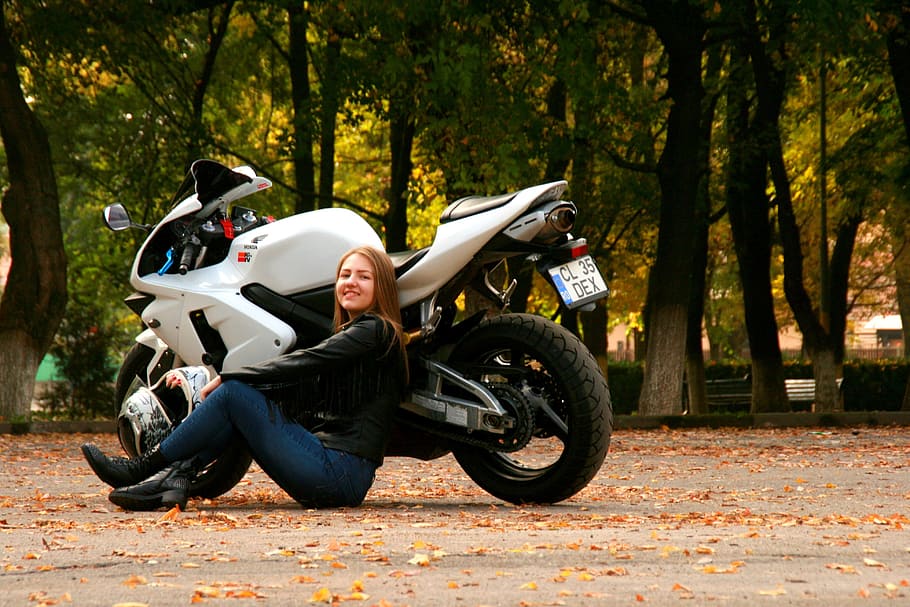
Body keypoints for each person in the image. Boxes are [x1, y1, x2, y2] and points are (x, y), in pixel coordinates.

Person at [81, 245, 407, 511]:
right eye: (345, 275)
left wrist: (229, 377)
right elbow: (296, 387)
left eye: (364, 277)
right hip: (331, 468)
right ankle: (173, 481)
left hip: (338, 473)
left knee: (235, 393)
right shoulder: (357, 335)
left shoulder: (375, 330)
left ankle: (142, 469)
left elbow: (304, 361)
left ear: (382, 288)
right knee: (240, 402)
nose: (351, 282)